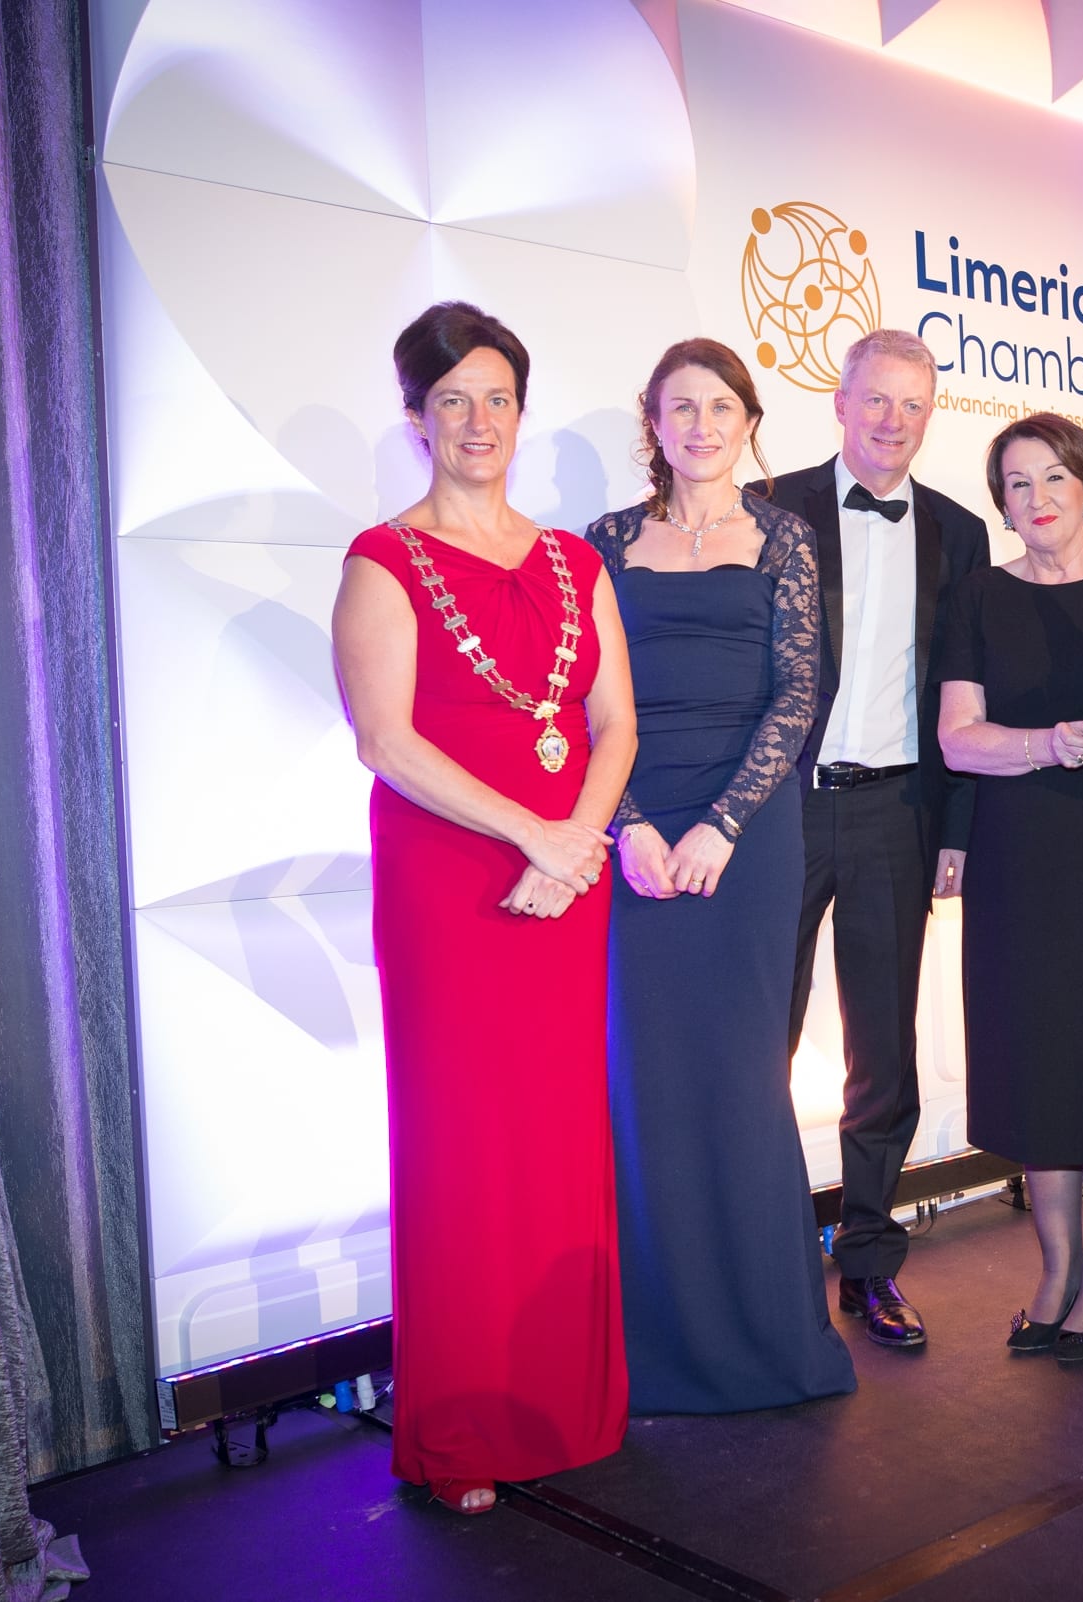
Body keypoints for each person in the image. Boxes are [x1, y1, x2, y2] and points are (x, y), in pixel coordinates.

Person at [333, 301, 634, 1514]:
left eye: (495, 396)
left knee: (560, 1134)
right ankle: (462, 1429)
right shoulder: (382, 558)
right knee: (463, 1146)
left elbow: (615, 725)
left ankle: (568, 1403)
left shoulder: (574, 561)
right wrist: (537, 833)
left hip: (563, 885)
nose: (476, 421)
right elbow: (384, 739)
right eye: (449, 400)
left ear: (522, 409)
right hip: (452, 888)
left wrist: (575, 843)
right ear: (415, 420)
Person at [585, 338, 856, 1413]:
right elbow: (589, 704)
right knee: (644, 1081)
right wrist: (635, 826)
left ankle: (768, 1341)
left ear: (750, 419)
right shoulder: (602, 542)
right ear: (650, 422)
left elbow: (797, 698)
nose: (699, 426)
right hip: (636, 836)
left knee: (747, 1076)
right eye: (678, 408)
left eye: (719, 407)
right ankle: (657, 1353)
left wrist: (725, 826)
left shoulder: (785, 538)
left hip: (748, 838)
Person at [762, 330, 990, 1348]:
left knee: (882, 1050)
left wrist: (960, 827)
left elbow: (975, 688)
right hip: (785, 810)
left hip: (901, 812)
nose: (893, 420)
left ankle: (866, 1259)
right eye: (877, 401)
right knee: (759, 1033)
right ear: (841, 404)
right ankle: (758, 1254)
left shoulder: (960, 531)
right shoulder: (773, 511)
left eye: (913, 404)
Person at [933, 413, 1083, 1362]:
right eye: (1017, 485)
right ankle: (1056, 1268)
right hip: (1015, 855)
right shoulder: (977, 595)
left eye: (1055, 478)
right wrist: (1043, 747)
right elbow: (955, 737)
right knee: (1036, 1064)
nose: (1037, 499)